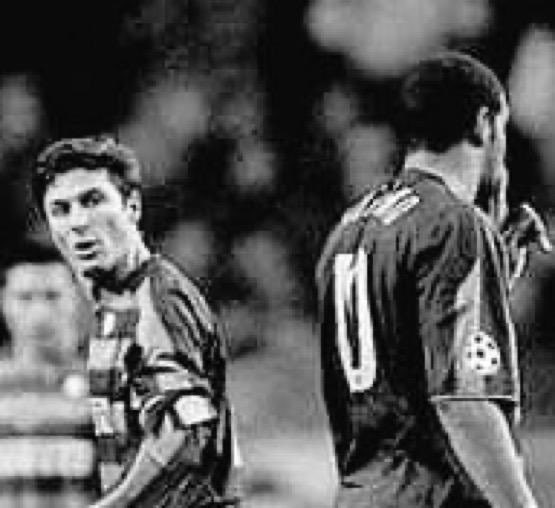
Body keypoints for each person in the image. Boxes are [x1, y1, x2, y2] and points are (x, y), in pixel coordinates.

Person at [315, 52, 549, 508]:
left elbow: (399, 360)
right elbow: (463, 402)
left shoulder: (350, 227)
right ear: (484, 123)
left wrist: (493, 284)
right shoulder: (454, 223)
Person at [33, 135, 240, 507]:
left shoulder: (157, 298)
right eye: (61, 210)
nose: (78, 222)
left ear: (132, 207)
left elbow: (183, 432)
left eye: (93, 200)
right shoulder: (114, 301)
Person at [0, 239, 95, 507]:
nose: (40, 313)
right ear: (3, 302)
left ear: (78, 298)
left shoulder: (106, 385)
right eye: (25, 298)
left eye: (52, 296)